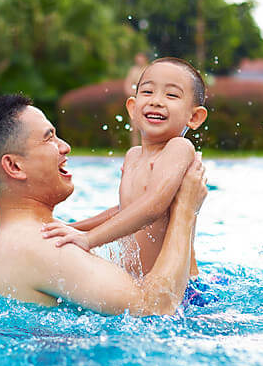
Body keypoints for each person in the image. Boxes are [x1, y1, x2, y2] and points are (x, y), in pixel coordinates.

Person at [0, 94, 208, 316]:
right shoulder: (42, 245)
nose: (65, 147)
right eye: (49, 139)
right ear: (14, 166)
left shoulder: (31, 235)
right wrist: (185, 210)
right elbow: (155, 309)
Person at [42, 57, 208, 280]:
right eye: (148, 92)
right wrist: (74, 228)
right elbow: (126, 209)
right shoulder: (133, 156)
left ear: (194, 117)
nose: (156, 101)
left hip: (183, 291)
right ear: (132, 107)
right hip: (141, 285)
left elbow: (153, 207)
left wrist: (90, 239)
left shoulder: (179, 148)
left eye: (171, 95)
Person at [124, 53, 149, 146]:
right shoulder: (133, 70)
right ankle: (134, 148)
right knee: (134, 128)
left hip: (147, 101)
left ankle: (147, 149)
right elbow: (127, 85)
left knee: (147, 127)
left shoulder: (149, 69)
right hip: (136, 101)